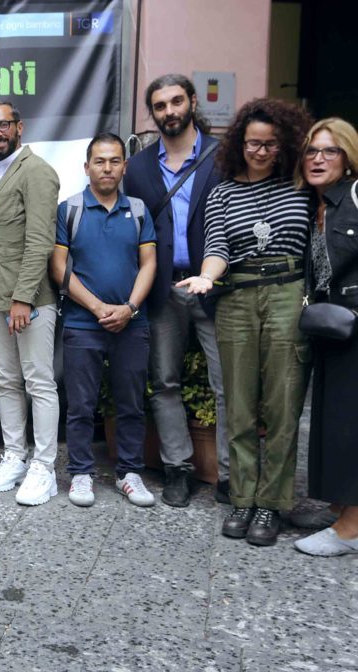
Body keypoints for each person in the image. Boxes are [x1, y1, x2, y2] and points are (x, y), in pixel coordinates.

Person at [177, 99, 312, 546]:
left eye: (270, 144)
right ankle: (242, 497)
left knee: (283, 404)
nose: (261, 151)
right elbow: (217, 247)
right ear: (239, 142)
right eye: (254, 143)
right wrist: (206, 277)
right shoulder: (222, 193)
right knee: (238, 404)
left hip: (288, 294)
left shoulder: (300, 185)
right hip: (236, 297)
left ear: (284, 145)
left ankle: (271, 503)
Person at [123, 74, 230, 507]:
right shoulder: (139, 168)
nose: (169, 111)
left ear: (192, 103)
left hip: (216, 287)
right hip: (164, 289)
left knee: (227, 384)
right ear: (153, 113)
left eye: (176, 101)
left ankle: (230, 475)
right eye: (160, 105)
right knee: (164, 381)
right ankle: (178, 469)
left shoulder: (223, 156)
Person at [52, 133, 158, 508]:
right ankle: (81, 473)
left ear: (124, 166)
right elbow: (59, 267)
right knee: (80, 405)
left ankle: (129, 472)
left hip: (132, 323)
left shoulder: (139, 210)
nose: (107, 168)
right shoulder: (69, 209)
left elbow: (149, 263)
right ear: (87, 167)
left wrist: (129, 308)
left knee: (131, 403)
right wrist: (97, 307)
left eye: (114, 161)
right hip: (83, 323)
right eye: (100, 161)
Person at [0, 102, 62, 505]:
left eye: (3, 125)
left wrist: (22, 298)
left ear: (19, 127)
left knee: (39, 382)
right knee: (7, 381)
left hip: (29, 300)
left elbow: (40, 240)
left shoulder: (37, 171)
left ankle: (45, 467)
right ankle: (14, 456)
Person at [294, 118, 358, 556]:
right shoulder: (314, 203)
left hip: (354, 324)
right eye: (312, 151)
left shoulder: (354, 194)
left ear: (348, 157)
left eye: (330, 151)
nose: (318, 159)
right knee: (333, 420)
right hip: (331, 326)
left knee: (350, 424)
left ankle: (351, 530)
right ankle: (341, 509)